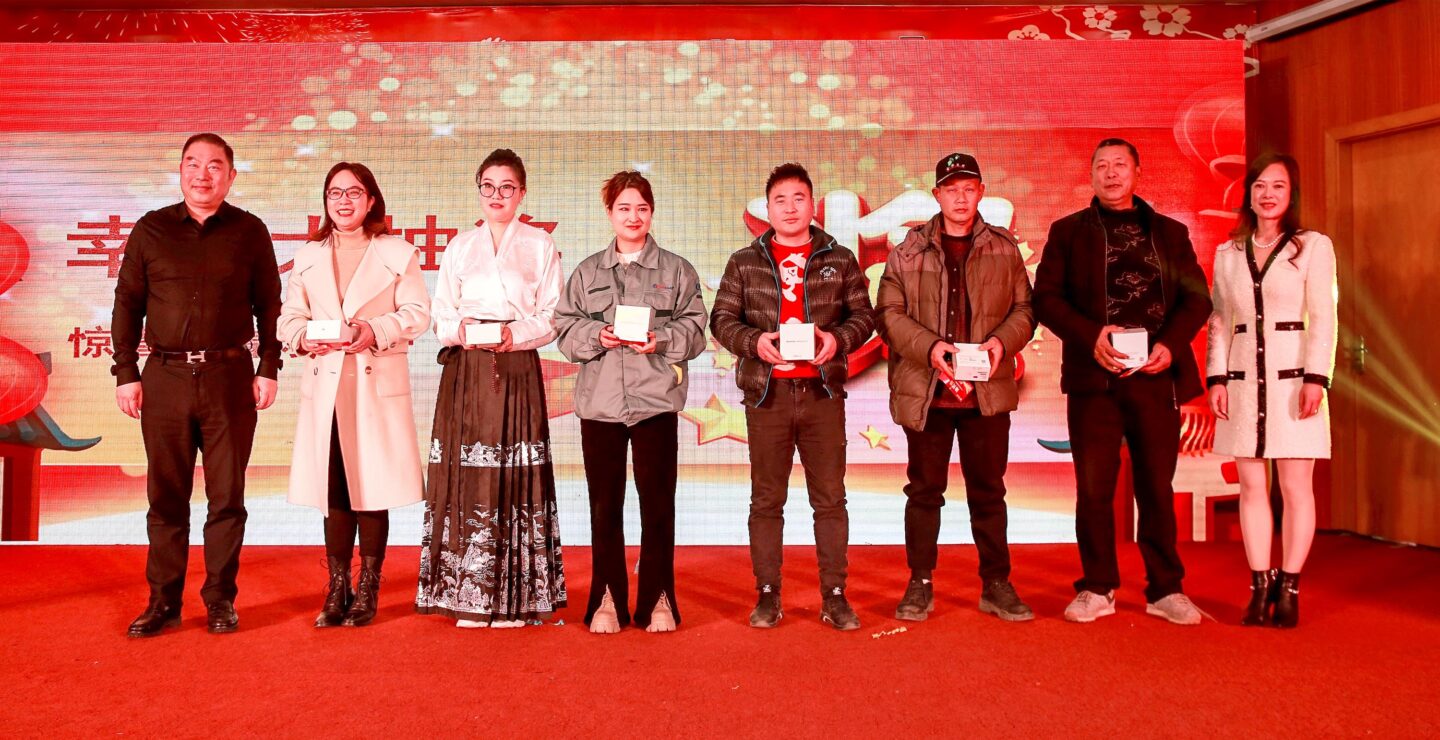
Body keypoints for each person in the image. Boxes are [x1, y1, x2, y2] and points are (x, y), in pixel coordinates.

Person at [1033, 138, 1213, 625]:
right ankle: (1097, 587)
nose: (1110, 173)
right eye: (1102, 166)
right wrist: (1091, 335)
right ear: (1091, 174)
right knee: (1094, 489)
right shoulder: (1068, 232)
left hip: (1155, 377)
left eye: (1120, 165)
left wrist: (1170, 345)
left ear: (1137, 173)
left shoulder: (1170, 233)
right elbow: (1046, 298)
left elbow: (1197, 299)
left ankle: (1165, 589)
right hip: (1095, 380)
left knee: (1156, 487)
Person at [112, 133, 283, 637]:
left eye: (214, 165)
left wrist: (268, 367)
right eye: (192, 164)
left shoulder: (249, 230)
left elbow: (270, 305)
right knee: (166, 497)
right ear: (180, 171)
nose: (202, 174)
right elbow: (127, 302)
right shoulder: (151, 228)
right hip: (163, 377)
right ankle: (163, 602)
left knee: (227, 498)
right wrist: (126, 372)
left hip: (229, 377)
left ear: (230, 175)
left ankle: (220, 600)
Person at [710, 163, 876, 631]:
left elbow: (864, 317)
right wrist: (754, 342)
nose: (789, 208)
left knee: (831, 500)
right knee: (766, 500)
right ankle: (768, 594)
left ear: (811, 204)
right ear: (768, 208)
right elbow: (722, 320)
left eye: (798, 198)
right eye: (780, 200)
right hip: (769, 396)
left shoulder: (839, 257)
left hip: (822, 394)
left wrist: (836, 340)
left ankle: (835, 595)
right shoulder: (745, 261)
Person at [875, 152, 1037, 623]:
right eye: (951, 189)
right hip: (929, 393)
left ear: (981, 192)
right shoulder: (908, 250)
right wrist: (929, 348)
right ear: (937, 195)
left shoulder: (1004, 248)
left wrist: (1000, 343)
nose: (960, 198)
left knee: (989, 491)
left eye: (969, 188)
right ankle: (920, 583)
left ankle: (996, 583)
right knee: (924, 492)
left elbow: (1025, 310)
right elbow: (888, 314)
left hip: (986, 393)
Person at [416, 148, 567, 628]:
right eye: (488, 187)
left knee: (515, 477)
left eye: (507, 188)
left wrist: (512, 334)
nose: (496, 196)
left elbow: (553, 315)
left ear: (522, 194)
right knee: (467, 474)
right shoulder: (460, 246)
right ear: (478, 191)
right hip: (468, 370)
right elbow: (441, 311)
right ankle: (466, 595)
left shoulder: (539, 244)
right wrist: (460, 330)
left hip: (516, 365)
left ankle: (515, 598)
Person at [276, 162, 430, 628]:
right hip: (326, 383)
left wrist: (373, 329)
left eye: (353, 193)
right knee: (335, 489)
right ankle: (337, 587)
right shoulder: (308, 256)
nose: (343, 202)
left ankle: (369, 588)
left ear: (371, 200)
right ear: (325, 202)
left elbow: (418, 314)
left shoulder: (397, 252)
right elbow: (288, 318)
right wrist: (303, 338)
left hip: (373, 382)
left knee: (372, 487)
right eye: (335, 193)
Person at [555, 170, 707, 634]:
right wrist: (595, 335)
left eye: (642, 208)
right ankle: (607, 599)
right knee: (605, 507)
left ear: (652, 212)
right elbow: (564, 328)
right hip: (600, 406)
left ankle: (659, 599)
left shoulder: (677, 270)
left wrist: (661, 340)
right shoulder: (587, 272)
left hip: (655, 403)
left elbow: (696, 329)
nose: (633, 216)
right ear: (610, 214)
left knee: (658, 506)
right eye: (624, 208)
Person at [1205, 153, 1336, 628]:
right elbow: (1220, 319)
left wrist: (1317, 378)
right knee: (1252, 486)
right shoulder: (1228, 252)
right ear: (1248, 193)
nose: (1267, 194)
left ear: (1291, 193)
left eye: (1278, 186)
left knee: (1296, 487)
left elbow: (1324, 317)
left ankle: (1291, 586)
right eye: (1260, 185)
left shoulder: (1312, 246)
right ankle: (1260, 585)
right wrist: (1216, 378)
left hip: (1294, 382)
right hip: (1243, 381)